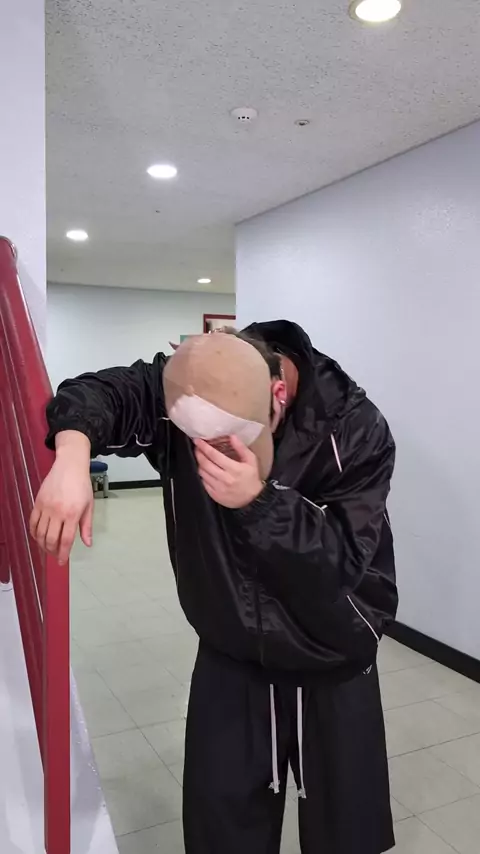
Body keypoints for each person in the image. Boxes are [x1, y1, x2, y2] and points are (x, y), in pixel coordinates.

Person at [31, 320, 397, 854]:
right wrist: (71, 457)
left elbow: (342, 563)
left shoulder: (355, 428)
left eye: (227, 440)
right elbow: (98, 393)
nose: (211, 452)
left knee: (345, 833)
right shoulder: (196, 380)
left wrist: (259, 502)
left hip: (333, 652)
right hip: (232, 648)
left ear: (277, 396)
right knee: (221, 831)